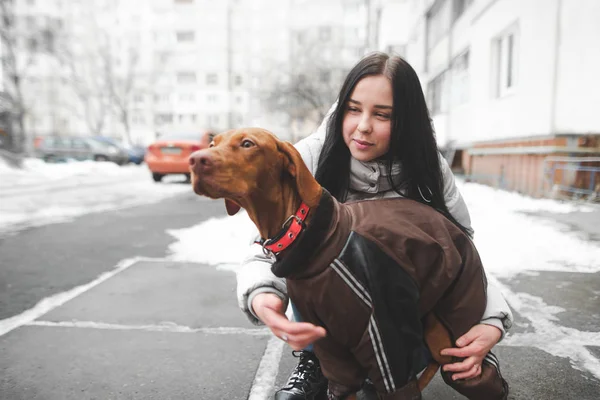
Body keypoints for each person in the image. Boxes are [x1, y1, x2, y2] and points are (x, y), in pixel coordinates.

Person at [237, 52, 513, 399]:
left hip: (407, 300)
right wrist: (262, 295)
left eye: (382, 115)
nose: (363, 125)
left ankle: (412, 356)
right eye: (353, 109)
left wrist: (489, 322)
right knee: (319, 263)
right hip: (332, 302)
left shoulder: (428, 170)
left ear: (406, 123)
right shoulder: (307, 160)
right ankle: (317, 362)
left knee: (463, 368)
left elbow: (460, 250)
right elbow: (268, 246)